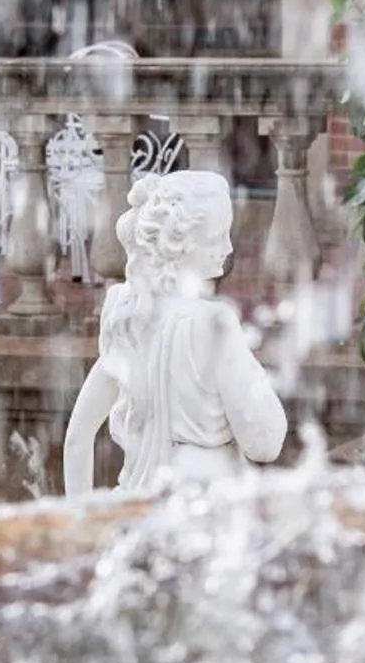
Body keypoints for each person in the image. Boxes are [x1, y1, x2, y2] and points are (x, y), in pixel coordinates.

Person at [62, 169, 288, 495]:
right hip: (203, 521)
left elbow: (77, 439)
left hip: (133, 510)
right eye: (216, 237)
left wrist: (79, 523)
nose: (227, 248)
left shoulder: (128, 315)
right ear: (180, 244)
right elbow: (264, 444)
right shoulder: (216, 323)